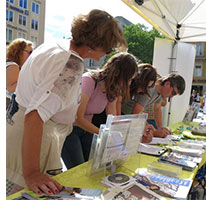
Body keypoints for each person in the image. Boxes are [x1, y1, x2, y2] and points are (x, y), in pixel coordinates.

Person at [6, 9, 127, 196]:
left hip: (24, 133)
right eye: (108, 49)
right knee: (25, 192)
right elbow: (35, 116)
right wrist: (32, 173)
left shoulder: (55, 45)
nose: (106, 54)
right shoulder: (71, 64)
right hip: (35, 141)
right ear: (95, 45)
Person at [61, 52, 138, 170]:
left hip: (87, 130)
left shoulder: (112, 88)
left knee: (93, 168)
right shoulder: (89, 81)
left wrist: (121, 137)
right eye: (129, 79)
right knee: (79, 169)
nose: (129, 83)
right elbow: (78, 117)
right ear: (118, 73)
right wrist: (105, 134)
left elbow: (112, 118)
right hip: (69, 130)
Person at [122, 73, 186, 138]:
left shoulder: (160, 94)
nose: (171, 96)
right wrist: (154, 131)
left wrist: (160, 129)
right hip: (123, 117)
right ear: (167, 84)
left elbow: (157, 109)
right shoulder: (150, 89)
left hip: (129, 118)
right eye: (173, 93)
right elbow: (136, 114)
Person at [6, 38, 33, 108]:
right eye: (30, 52)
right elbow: (11, 89)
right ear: (19, 52)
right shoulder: (13, 66)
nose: (32, 55)